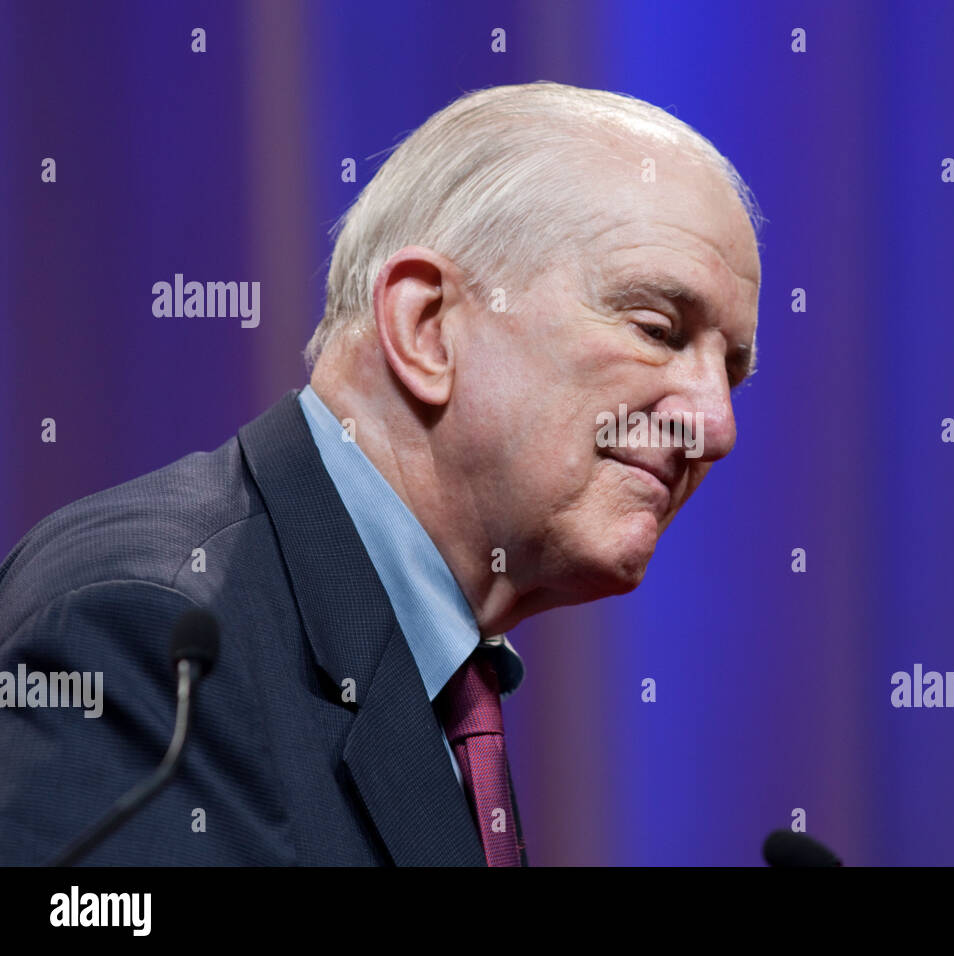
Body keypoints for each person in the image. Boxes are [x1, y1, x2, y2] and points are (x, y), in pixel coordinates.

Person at [0, 81, 761, 866]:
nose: (715, 426)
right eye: (657, 329)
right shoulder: (151, 624)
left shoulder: (439, 673)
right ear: (426, 327)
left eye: (732, 373)